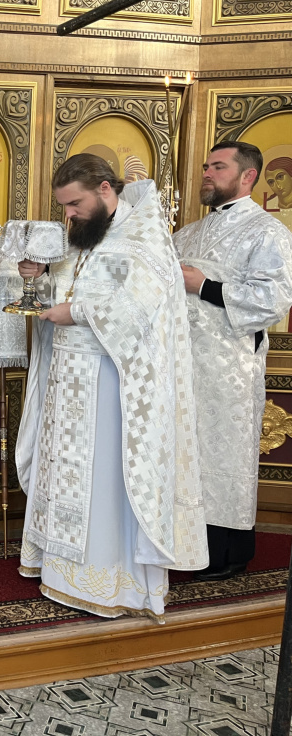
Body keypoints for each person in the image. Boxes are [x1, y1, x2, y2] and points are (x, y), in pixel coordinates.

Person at [14, 153, 207, 622]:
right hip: (68, 379)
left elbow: (138, 308)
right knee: (66, 473)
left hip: (112, 383)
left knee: (105, 479)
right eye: (64, 207)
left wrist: (77, 312)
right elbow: (68, 291)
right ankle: (62, 573)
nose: (69, 215)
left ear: (104, 190)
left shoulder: (144, 238)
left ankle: (110, 581)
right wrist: (41, 279)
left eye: (74, 204)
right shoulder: (87, 236)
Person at [173, 141, 292, 580]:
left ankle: (228, 553)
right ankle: (183, 545)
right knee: (186, 454)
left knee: (224, 457)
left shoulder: (267, 232)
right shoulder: (187, 234)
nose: (207, 173)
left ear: (248, 176)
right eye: (206, 166)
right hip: (182, 366)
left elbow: (273, 299)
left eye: (218, 167)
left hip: (230, 371)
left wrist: (204, 285)